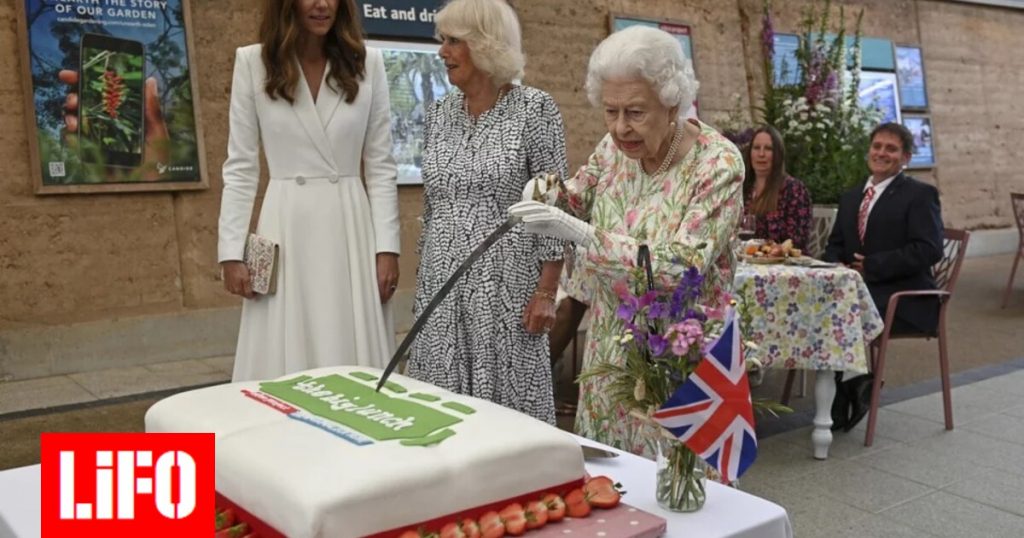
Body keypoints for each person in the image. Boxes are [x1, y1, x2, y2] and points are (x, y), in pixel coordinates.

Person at [509, 25, 744, 457]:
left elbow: (681, 266)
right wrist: (543, 191)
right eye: (610, 111)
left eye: (635, 112)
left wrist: (580, 233)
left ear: (672, 102)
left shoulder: (718, 163)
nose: (620, 128)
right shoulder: (614, 148)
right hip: (611, 349)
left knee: (681, 492)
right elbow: (577, 196)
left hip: (680, 353)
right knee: (611, 481)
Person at [218, 0, 400, 381]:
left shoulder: (368, 63)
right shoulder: (253, 63)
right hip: (286, 224)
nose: (322, 4)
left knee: (351, 344)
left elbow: (381, 166)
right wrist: (231, 252)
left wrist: (387, 248)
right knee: (285, 351)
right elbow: (241, 166)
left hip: (350, 226)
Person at [406, 0, 568, 425]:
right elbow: (432, 202)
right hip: (441, 280)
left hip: (506, 286)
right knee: (440, 408)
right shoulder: (439, 114)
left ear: (486, 45)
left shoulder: (536, 109)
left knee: (506, 412)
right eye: (443, 40)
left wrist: (547, 291)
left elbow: (553, 204)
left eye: (453, 41)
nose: (442, 51)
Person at [823, 122, 943, 431]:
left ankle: (843, 394)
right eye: (877, 146)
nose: (881, 153)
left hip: (904, 298)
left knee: (839, 314)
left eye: (891, 148)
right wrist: (838, 264)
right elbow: (835, 245)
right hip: (858, 295)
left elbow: (929, 250)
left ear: (905, 158)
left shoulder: (920, 195)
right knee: (816, 306)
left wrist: (873, 265)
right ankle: (851, 384)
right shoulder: (852, 197)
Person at [742, 125, 812, 250]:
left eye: (768, 149)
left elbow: (797, 240)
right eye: (756, 148)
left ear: (778, 155)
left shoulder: (794, 190)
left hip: (784, 265)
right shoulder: (743, 189)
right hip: (747, 261)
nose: (761, 154)